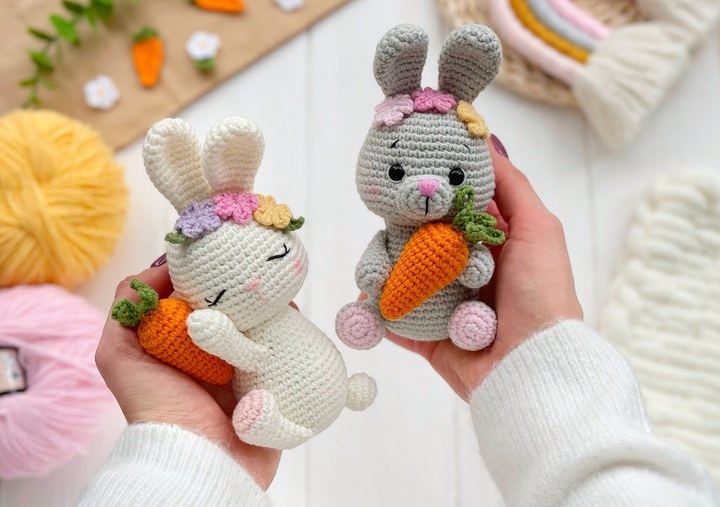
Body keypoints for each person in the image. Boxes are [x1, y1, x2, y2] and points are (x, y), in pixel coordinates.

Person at [79, 136, 719, 506]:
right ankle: (300, 403)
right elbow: (372, 267)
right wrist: (375, 298)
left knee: (449, 307)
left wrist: (469, 275)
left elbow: (462, 266)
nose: (424, 191)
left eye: (273, 256)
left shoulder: (446, 238)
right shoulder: (380, 253)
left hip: (424, 330)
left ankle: (374, 357)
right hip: (280, 393)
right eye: (224, 287)